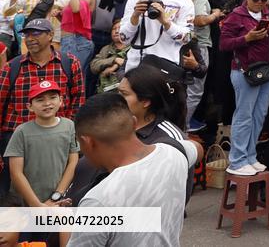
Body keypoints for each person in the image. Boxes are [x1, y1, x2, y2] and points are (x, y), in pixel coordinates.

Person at [66, 92, 188, 246]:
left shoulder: (98, 200)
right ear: (135, 123)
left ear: (87, 142)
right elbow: (196, 149)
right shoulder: (174, 153)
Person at [0, 18, 84, 201]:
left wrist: (68, 132)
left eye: (36, 33)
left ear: (51, 35)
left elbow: (78, 101)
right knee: (13, 196)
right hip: (16, 138)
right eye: (26, 34)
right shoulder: (12, 67)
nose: (30, 38)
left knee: (54, 189)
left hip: (56, 136)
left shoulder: (69, 63)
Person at [1, 80, 78, 247]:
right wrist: (37, 205)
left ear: (61, 100)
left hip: (54, 203)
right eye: (40, 100)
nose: (47, 103)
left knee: (47, 241)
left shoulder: (69, 126)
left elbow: (73, 161)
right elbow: (16, 173)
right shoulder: (22, 131)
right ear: (30, 106)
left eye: (52, 97)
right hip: (25, 205)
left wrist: (56, 195)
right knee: (22, 241)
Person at [219, 0, 269, 176]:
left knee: (259, 114)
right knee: (244, 115)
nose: (260, 2)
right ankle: (237, 160)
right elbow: (224, 44)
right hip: (244, 70)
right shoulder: (236, 16)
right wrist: (247, 39)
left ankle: (250, 155)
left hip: (267, 70)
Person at [183, 0, 223, 131]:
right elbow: (199, 20)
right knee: (195, 91)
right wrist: (215, 14)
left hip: (186, 42)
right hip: (199, 44)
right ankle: (182, 127)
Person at [60, 0, 96, 77]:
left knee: (73, 77)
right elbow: (72, 22)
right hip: (69, 40)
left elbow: (76, 9)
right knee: (69, 76)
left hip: (77, 41)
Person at [89, 21, 129, 93]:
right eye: (114, 29)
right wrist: (114, 60)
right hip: (106, 92)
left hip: (126, 90)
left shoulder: (134, 47)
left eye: (119, 28)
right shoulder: (106, 49)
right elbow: (94, 65)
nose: (116, 31)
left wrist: (115, 67)